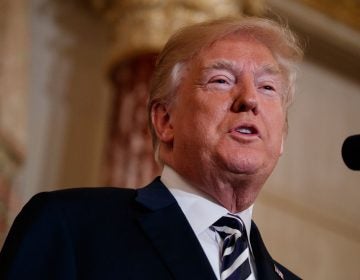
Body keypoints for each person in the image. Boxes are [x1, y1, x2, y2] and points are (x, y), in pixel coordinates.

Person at [0, 17, 303, 279]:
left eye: (267, 87)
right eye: (222, 80)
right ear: (165, 120)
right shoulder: (70, 227)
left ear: (282, 139)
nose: (249, 99)